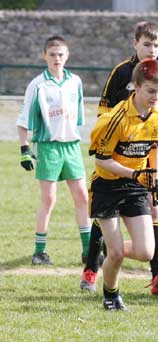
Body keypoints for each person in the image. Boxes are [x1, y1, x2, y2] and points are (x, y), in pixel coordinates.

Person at [80, 21, 158, 295]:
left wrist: (157, 165)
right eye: (146, 44)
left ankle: (156, 272)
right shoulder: (121, 75)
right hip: (113, 164)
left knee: (153, 211)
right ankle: (94, 266)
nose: (151, 49)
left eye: (156, 45)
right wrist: (122, 132)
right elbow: (104, 113)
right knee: (108, 230)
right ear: (134, 43)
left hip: (147, 156)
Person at [89, 58, 158, 310]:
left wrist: (155, 180)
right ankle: (111, 295)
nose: (156, 96)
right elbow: (102, 162)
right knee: (116, 255)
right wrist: (134, 175)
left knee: (146, 252)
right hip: (106, 185)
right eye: (150, 91)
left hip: (134, 185)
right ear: (134, 86)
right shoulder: (115, 120)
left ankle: (109, 246)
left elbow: (155, 146)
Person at [16, 35, 91, 266]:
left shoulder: (75, 82)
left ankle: (89, 251)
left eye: (61, 54)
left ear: (67, 56)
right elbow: (23, 120)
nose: (57, 59)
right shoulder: (37, 84)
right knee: (48, 199)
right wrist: (24, 149)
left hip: (71, 146)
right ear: (44, 56)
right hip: (48, 146)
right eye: (52, 55)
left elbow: (77, 117)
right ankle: (40, 251)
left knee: (82, 196)